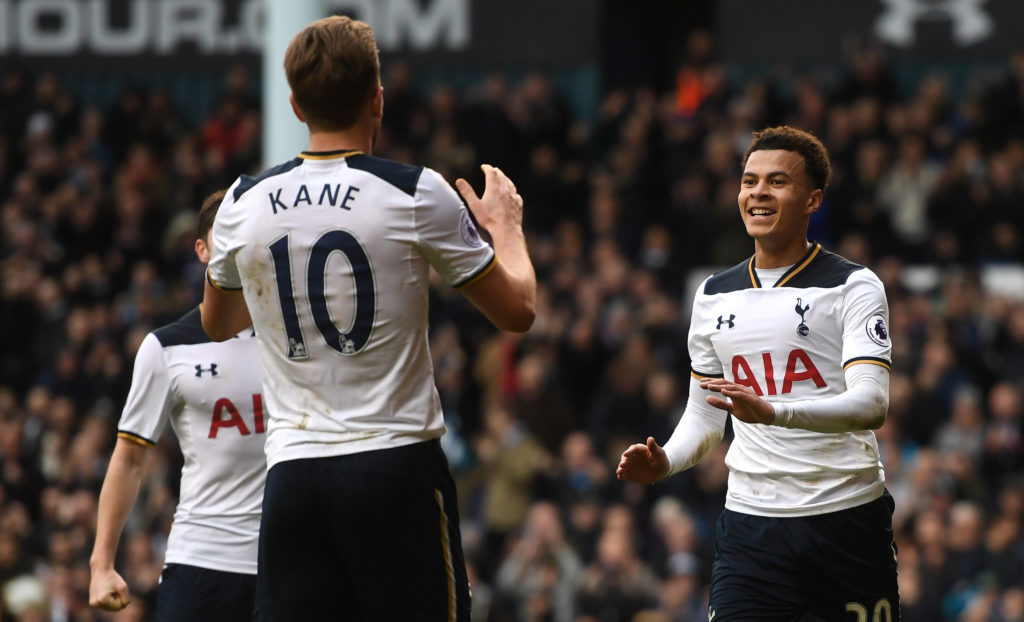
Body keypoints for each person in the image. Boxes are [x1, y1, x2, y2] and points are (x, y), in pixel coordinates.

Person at [201, 15, 536, 621]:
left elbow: (218, 323)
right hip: (394, 467)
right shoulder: (414, 192)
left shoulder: (240, 202)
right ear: (377, 98)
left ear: (296, 104)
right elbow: (519, 312)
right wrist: (506, 228)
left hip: (293, 476)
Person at [617, 126, 900, 621]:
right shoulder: (712, 294)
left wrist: (772, 412)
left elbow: (871, 404)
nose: (758, 193)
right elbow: (705, 418)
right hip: (751, 526)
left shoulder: (853, 285)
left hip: (845, 518)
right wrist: (666, 462)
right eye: (749, 181)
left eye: (776, 182)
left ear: (813, 200)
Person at [89, 190, 266, 622]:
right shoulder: (166, 347)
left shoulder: (299, 336)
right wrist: (101, 565)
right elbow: (129, 458)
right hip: (202, 561)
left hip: (290, 562)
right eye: (226, 233)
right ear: (202, 250)